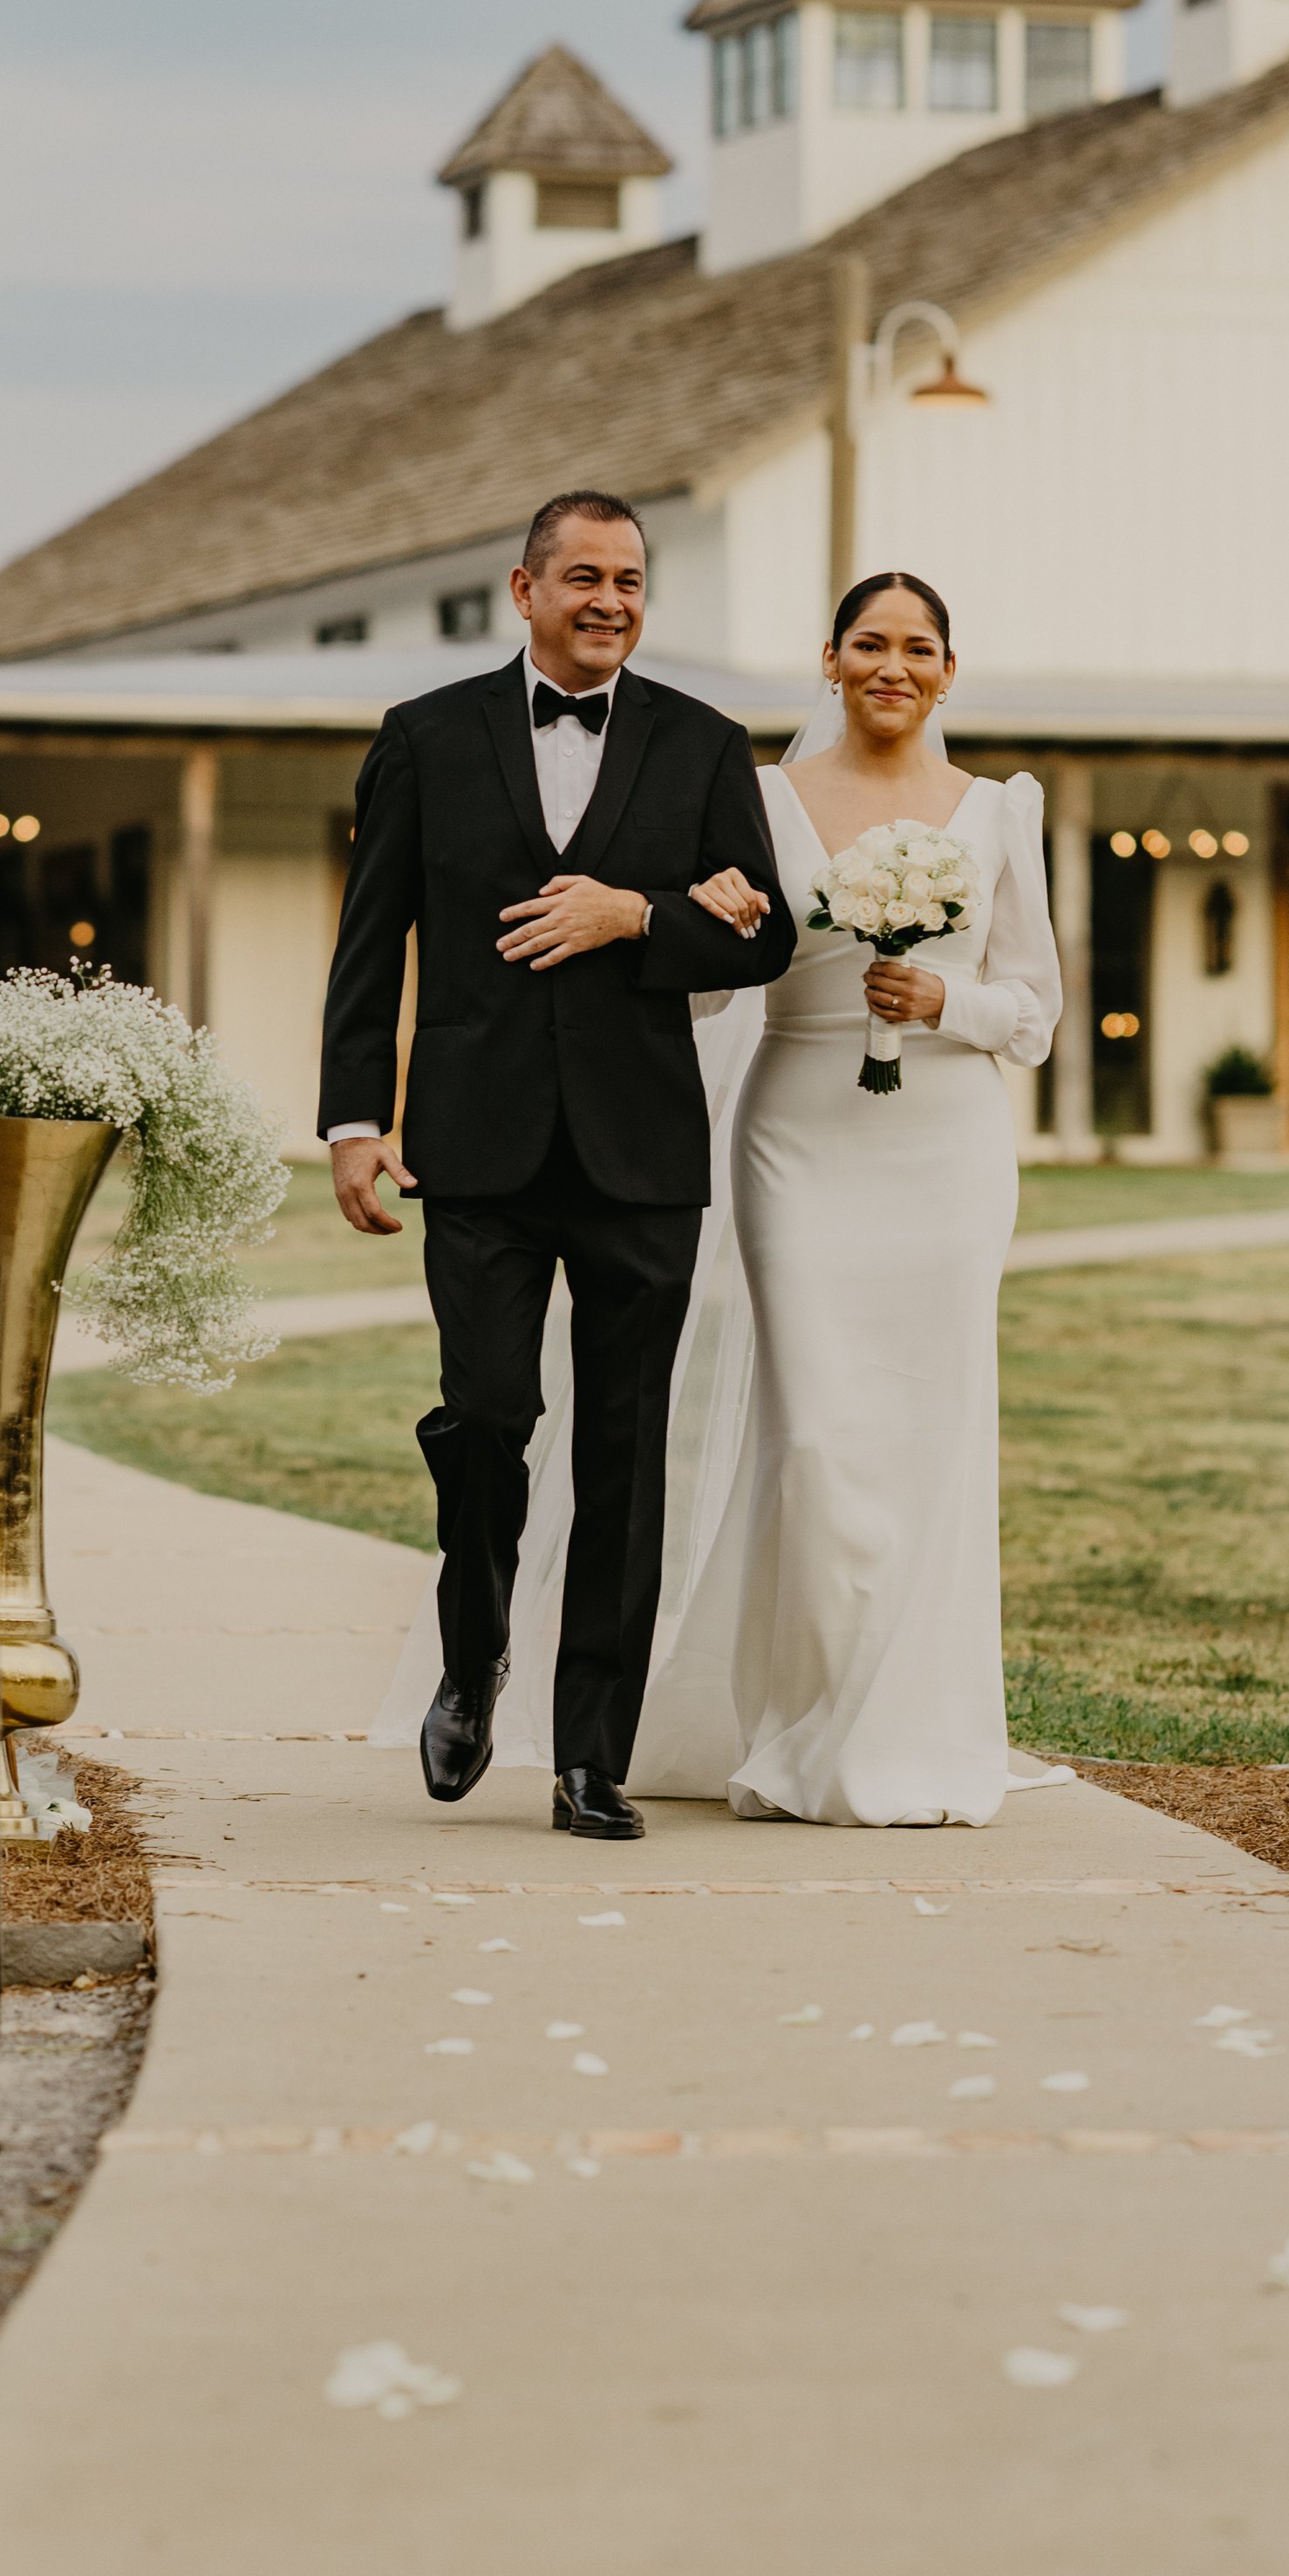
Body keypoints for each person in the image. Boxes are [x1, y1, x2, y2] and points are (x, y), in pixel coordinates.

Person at [317, 490, 794, 1842]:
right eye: (582, 575)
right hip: (477, 1145)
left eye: (631, 579)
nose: (610, 599)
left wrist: (636, 913)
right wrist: (357, 1118)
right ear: (522, 588)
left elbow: (758, 940)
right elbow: (373, 939)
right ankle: (473, 1655)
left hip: (643, 1152)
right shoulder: (427, 739)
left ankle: (593, 1753)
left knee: (626, 1454)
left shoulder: (705, 748)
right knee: (487, 1415)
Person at [662, 570, 1062, 1824]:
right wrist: (696, 924)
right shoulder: (763, 795)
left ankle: (915, 1729)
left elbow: (1036, 1014)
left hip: (945, 1152)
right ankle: (802, 1724)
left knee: (932, 1438)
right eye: (870, 643)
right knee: (820, 1438)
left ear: (949, 670)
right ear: (828, 658)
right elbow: (714, 992)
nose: (894, 665)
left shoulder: (1000, 810)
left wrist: (949, 1003)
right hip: (799, 1137)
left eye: (920, 647)